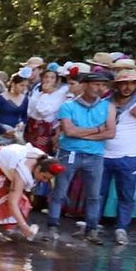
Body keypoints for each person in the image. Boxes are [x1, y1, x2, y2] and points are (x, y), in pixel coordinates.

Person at [47, 71, 114, 242]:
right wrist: (99, 129)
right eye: (96, 84)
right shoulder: (68, 106)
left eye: (103, 85)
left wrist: (80, 133)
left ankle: (91, 230)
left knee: (93, 194)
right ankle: (52, 227)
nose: (100, 88)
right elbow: (69, 131)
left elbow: (111, 132)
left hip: (95, 156)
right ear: (85, 85)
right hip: (70, 153)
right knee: (59, 191)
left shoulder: (109, 106)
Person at [0, 143, 59, 240]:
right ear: (38, 169)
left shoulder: (44, 160)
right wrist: (24, 227)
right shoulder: (22, 172)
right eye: (44, 177)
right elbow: (12, 203)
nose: (45, 181)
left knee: (12, 197)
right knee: (2, 196)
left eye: (48, 179)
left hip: (1, 158)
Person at [102, 67, 136, 244]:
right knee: (98, 192)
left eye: (132, 83)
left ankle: (121, 228)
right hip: (104, 153)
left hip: (130, 155)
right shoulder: (105, 102)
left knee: (126, 194)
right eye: (123, 83)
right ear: (117, 85)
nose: (127, 87)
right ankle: (92, 226)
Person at [26, 66, 68, 154]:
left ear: (56, 80)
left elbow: (44, 111)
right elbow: (30, 110)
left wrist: (45, 95)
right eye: (46, 77)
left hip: (46, 128)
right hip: (32, 126)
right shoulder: (37, 92)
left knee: (41, 153)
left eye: (52, 77)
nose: (49, 80)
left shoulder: (59, 95)